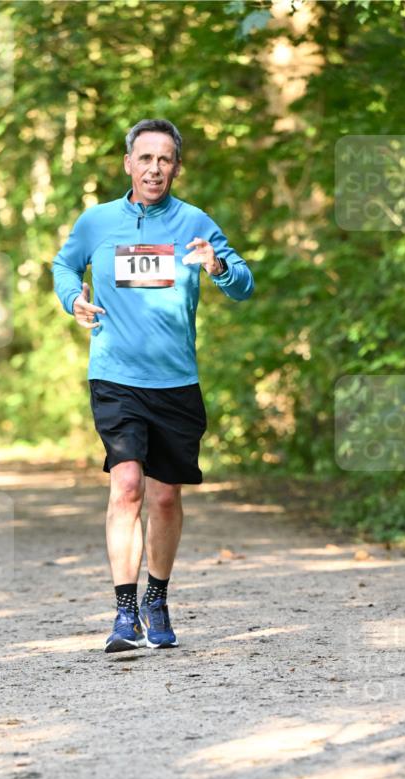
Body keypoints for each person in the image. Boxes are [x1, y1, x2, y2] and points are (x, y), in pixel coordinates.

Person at [52, 118, 254, 653]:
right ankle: (123, 613)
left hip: (176, 381)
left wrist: (218, 267)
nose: (155, 168)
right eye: (145, 158)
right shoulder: (97, 222)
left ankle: (157, 598)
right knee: (127, 486)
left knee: (165, 498)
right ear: (128, 164)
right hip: (115, 376)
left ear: (176, 167)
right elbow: (63, 266)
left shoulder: (194, 222)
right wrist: (72, 298)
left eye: (165, 159)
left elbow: (244, 283)